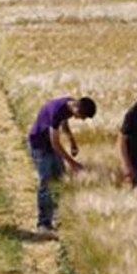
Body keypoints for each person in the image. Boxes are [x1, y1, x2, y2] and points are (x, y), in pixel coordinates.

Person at [27, 95, 97, 233]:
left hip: (50, 146)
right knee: (46, 184)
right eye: (82, 116)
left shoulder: (69, 104)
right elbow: (55, 143)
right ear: (77, 107)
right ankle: (43, 224)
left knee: (60, 179)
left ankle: (56, 217)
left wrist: (72, 142)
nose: (81, 119)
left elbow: (64, 123)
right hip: (40, 146)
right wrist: (72, 163)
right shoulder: (57, 111)